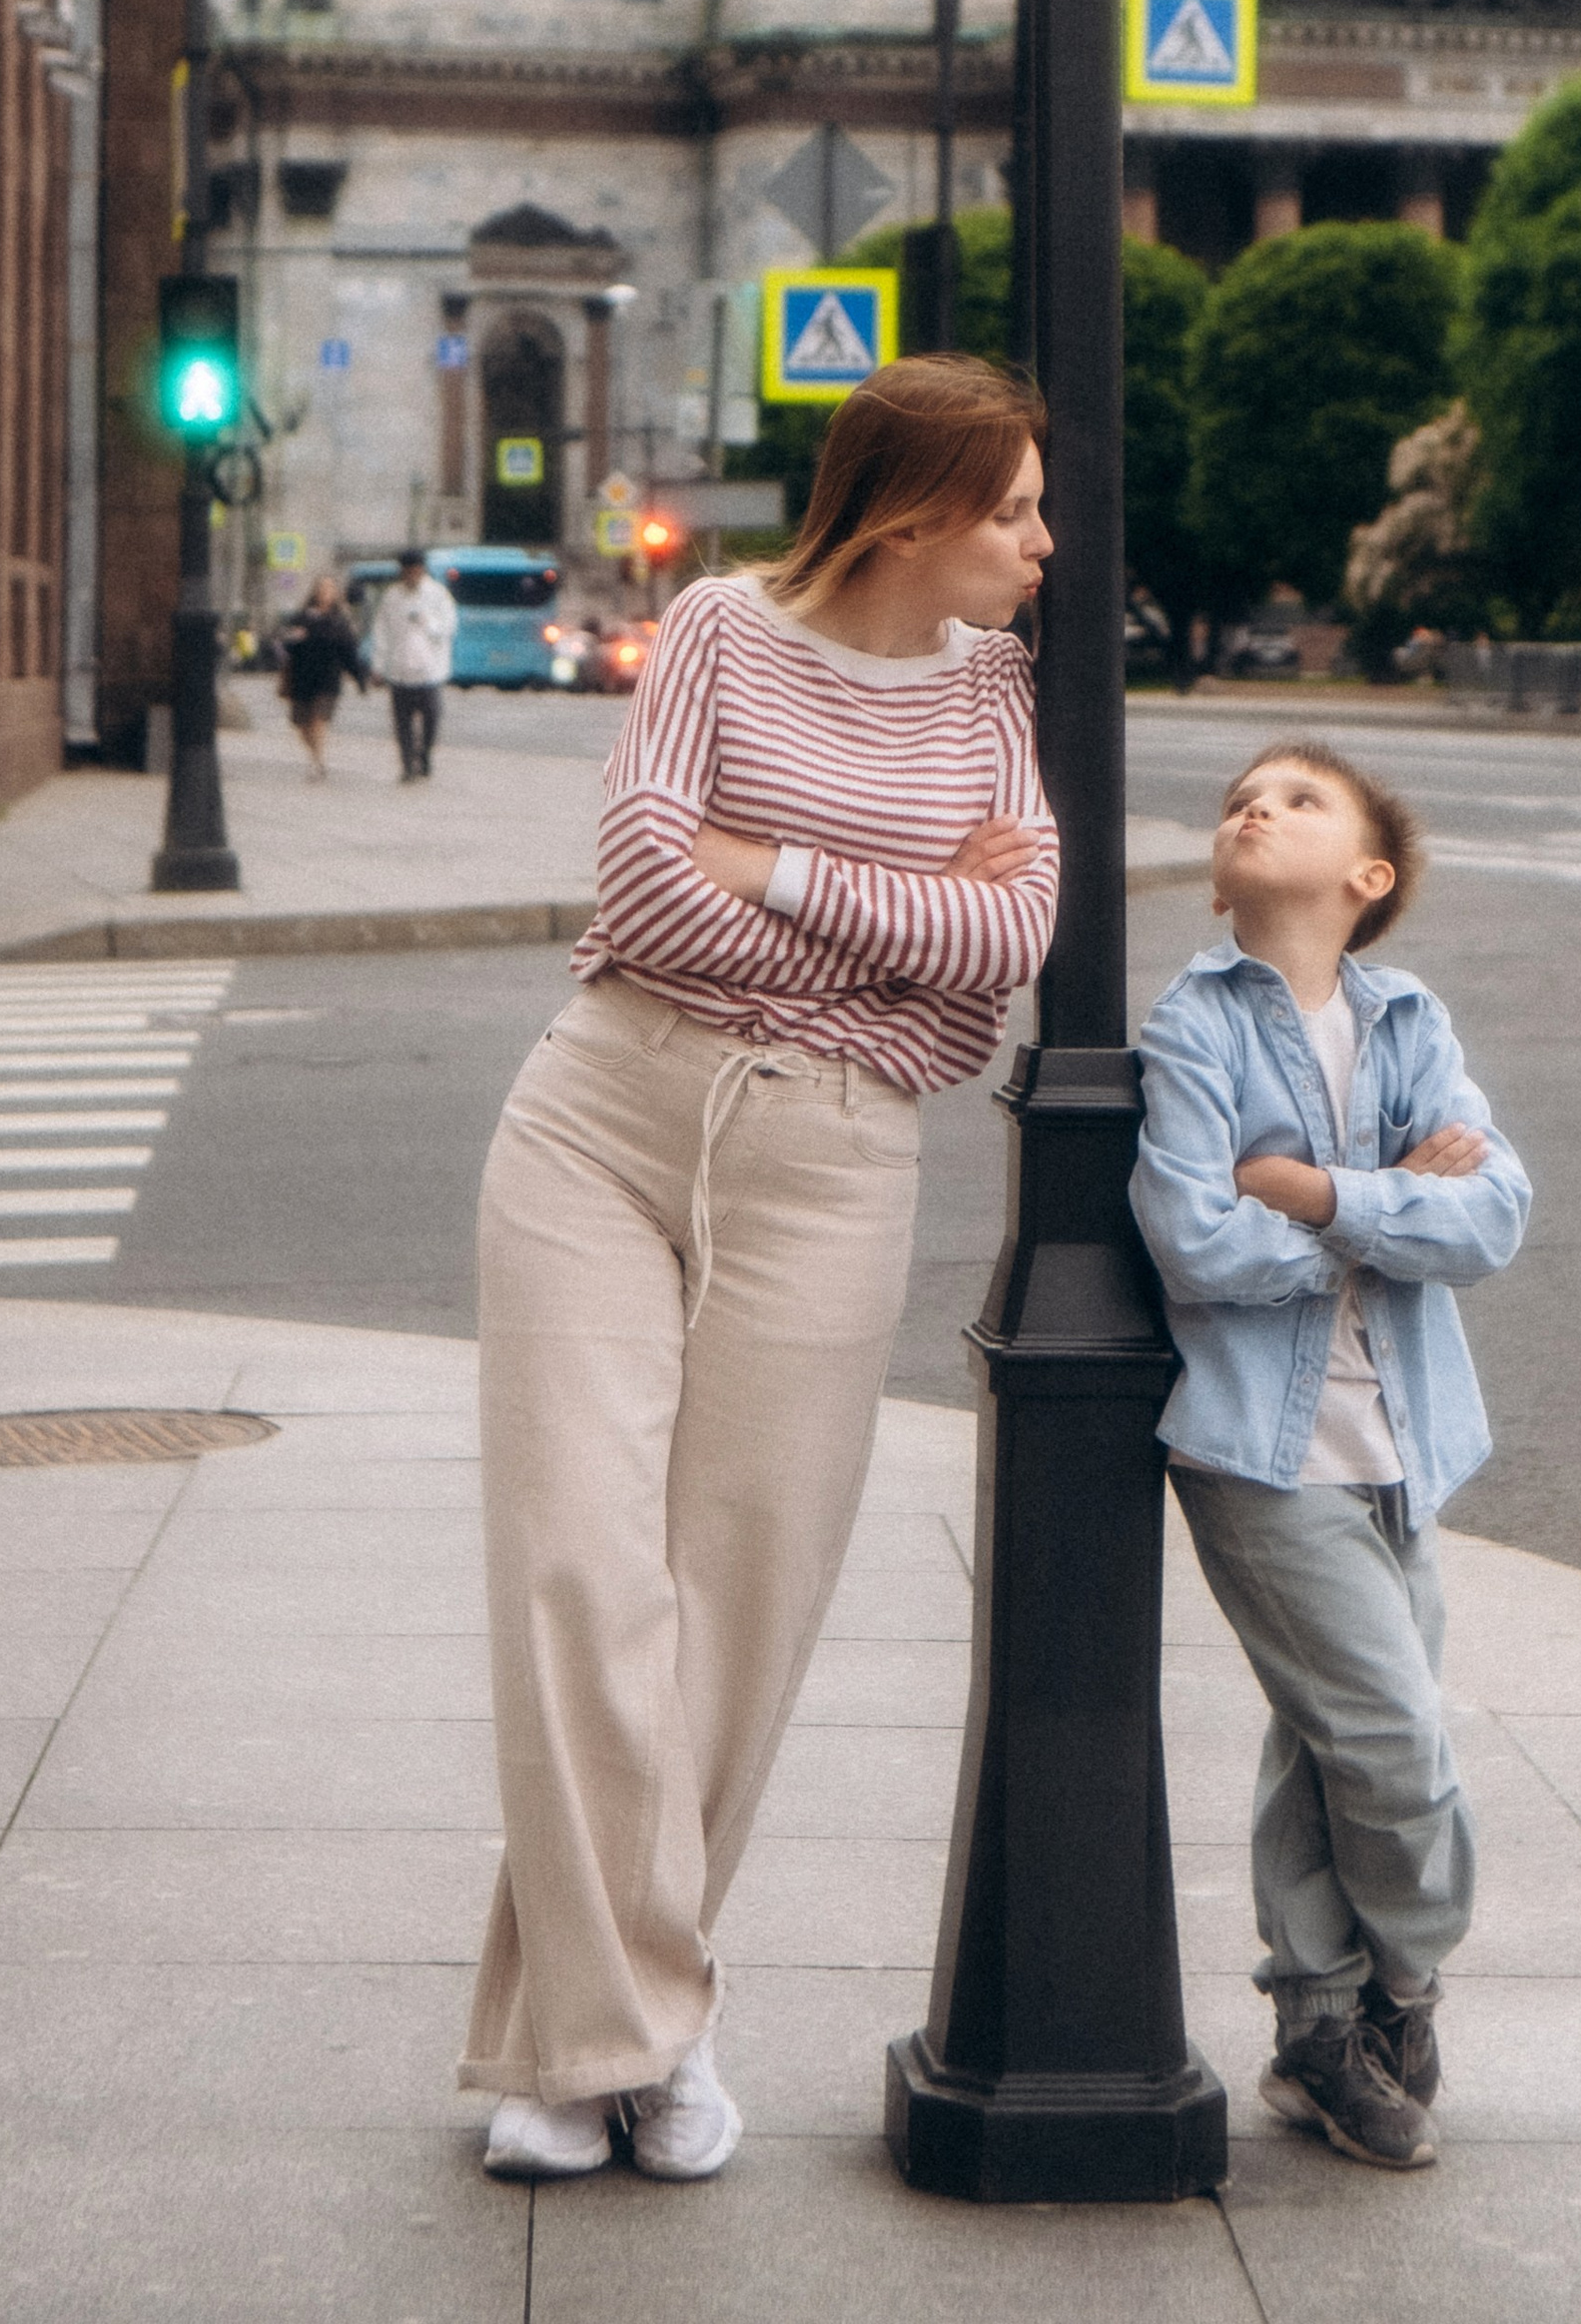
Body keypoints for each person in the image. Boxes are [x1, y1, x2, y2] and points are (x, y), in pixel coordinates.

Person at [460, 355, 1057, 2185]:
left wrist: (777, 871)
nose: (1045, 545)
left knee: (740, 1600)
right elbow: (641, 888)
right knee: (579, 1571)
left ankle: (603, 2039)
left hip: (833, 1163)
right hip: (603, 1114)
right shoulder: (717, 629)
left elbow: (1008, 942)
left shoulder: (998, 697)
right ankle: (627, 2030)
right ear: (914, 515)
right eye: (1018, 510)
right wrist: (887, 929)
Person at [1130, 742, 1529, 2175]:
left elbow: (1494, 1219)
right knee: (1394, 1750)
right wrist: (1381, 1216)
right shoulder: (1195, 1026)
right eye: (1244, 795)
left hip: (1410, 1446)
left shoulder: (1409, 1018)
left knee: (1326, 1742)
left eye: (1300, 798)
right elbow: (1192, 1241)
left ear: (1368, 880)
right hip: (1263, 1452)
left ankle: (1320, 2034)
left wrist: (1312, 1193)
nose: (1257, 807)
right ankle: (1406, 1994)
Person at [367, 546, 455, 778]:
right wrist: (377, 665)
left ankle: (424, 753)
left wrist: (428, 623)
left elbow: (448, 628)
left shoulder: (438, 594)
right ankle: (407, 765)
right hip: (400, 670)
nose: (411, 575)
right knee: (402, 723)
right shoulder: (392, 596)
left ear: (422, 570)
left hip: (430, 671)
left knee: (431, 719)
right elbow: (381, 632)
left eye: (416, 570)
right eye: (407, 571)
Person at [272, 571, 363, 778]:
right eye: (321, 589)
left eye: (329, 589)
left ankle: (317, 762)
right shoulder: (302, 617)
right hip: (302, 677)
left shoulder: (340, 620)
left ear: (335, 594)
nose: (325, 593)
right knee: (302, 725)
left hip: (328, 678)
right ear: (314, 592)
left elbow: (349, 650)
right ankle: (316, 756)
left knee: (318, 720)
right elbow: (283, 643)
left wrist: (359, 678)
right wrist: (294, 639)